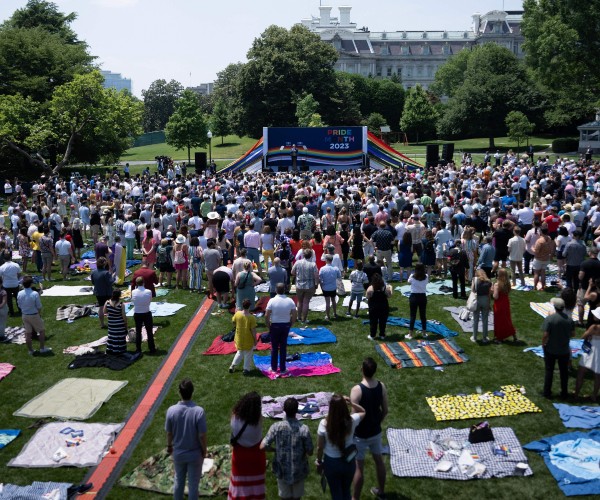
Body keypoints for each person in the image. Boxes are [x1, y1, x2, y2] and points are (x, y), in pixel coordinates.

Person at [261, 398, 314, 500]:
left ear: (284, 410)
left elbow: (263, 446)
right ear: (297, 410)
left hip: (282, 470)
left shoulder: (276, 427)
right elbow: (310, 451)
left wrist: (274, 450)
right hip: (299, 470)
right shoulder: (304, 429)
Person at [351, 358, 388, 500]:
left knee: (359, 466)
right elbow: (385, 410)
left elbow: (353, 416)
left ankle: (355, 498)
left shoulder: (356, 390)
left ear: (362, 370)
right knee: (379, 461)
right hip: (375, 432)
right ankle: (382, 492)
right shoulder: (381, 386)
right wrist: (377, 422)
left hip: (360, 434)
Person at [315, 394, 365, 500]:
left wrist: (319, 461)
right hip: (349, 460)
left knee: (336, 493)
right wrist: (351, 403)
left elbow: (320, 447)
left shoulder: (324, 424)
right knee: (346, 491)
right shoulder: (352, 420)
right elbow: (363, 412)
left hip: (331, 463)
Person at [165, 378, 207, 500]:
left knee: (178, 481)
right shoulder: (199, 411)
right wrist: (204, 450)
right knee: (193, 486)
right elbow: (201, 435)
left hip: (178, 453)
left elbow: (169, 433)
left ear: (179, 392)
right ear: (192, 392)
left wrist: (169, 447)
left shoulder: (171, 411)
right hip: (194, 454)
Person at [228, 392, 266, 500]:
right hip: (256, 456)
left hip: (239, 456)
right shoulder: (258, 421)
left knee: (239, 485)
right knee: (256, 488)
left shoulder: (235, 418)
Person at [541, 297, 575, 399]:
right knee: (564, 372)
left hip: (551, 349)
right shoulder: (569, 319)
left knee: (549, 371)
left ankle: (547, 392)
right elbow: (573, 334)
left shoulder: (550, 319)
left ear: (555, 307)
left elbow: (546, 334)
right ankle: (564, 393)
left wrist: (543, 344)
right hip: (564, 350)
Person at [265, 283, 298, 375]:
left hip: (275, 325)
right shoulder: (290, 301)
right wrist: (291, 323)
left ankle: (274, 368)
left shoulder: (272, 301)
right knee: (283, 347)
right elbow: (295, 314)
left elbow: (267, 315)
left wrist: (268, 325)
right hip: (285, 325)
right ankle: (283, 368)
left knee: (274, 347)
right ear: (285, 290)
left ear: (276, 290)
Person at [17, 275, 50, 355]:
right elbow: (39, 306)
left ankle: (30, 350)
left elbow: (19, 305)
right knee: (41, 331)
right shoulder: (34, 293)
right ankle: (42, 348)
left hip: (24, 315)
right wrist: (38, 314)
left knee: (28, 333)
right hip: (34, 314)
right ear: (31, 284)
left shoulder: (20, 293)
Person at [575, 308, 600, 402]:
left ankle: (576, 394)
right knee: (598, 376)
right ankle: (594, 396)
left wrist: (589, 336)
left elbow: (583, 336)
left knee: (581, 372)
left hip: (591, 350)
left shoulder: (594, 327)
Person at [229, 298, 257, 375]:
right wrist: (255, 340)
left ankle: (232, 365)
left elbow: (233, 322)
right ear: (249, 306)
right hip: (248, 339)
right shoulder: (251, 318)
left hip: (239, 338)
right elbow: (253, 330)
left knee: (240, 352)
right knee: (248, 354)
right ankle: (246, 369)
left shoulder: (237, 314)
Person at [291, 248, 319, 324]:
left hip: (299, 285)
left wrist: (298, 275)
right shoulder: (313, 264)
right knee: (306, 302)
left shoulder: (297, 262)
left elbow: (292, 272)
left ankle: (299, 317)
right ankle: (304, 319)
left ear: (303, 255)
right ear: (311, 255)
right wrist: (316, 284)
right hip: (309, 285)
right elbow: (316, 275)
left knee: (300, 302)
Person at [132, 276, 156, 354]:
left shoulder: (133, 292)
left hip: (137, 313)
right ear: (143, 283)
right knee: (149, 331)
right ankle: (152, 348)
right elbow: (149, 301)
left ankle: (138, 349)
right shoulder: (148, 291)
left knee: (138, 331)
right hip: (146, 312)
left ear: (136, 283)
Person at [493, 268, 518, 342]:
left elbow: (495, 296)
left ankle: (500, 338)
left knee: (499, 321)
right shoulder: (508, 284)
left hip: (499, 304)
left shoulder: (497, 285)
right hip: (506, 303)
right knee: (507, 320)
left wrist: (492, 291)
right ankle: (514, 336)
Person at [366, 273, 392, 341]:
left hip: (373, 307)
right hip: (383, 307)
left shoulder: (370, 288)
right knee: (383, 321)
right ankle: (382, 334)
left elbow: (367, 297)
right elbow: (389, 296)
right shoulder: (385, 288)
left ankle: (372, 335)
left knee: (373, 322)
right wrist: (391, 288)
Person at [91, 256, 114, 329]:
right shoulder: (106, 273)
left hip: (98, 292)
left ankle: (102, 324)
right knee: (110, 307)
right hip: (107, 292)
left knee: (101, 307)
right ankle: (112, 322)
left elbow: (93, 282)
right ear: (104, 264)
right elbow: (110, 282)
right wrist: (113, 276)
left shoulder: (93, 272)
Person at [407, 262, 428, 339]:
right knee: (423, 316)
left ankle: (410, 334)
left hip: (414, 297)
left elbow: (408, 282)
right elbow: (426, 282)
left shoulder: (412, 276)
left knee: (413, 316)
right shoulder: (426, 276)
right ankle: (424, 333)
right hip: (423, 297)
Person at [471, 269, 493, 344]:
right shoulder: (489, 281)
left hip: (477, 300)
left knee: (475, 319)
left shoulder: (475, 280)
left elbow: (472, 291)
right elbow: (489, 294)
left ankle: (474, 337)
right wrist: (489, 304)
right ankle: (484, 337)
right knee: (485, 320)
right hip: (485, 300)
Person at [104, 289, 128, 355]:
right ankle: (120, 350)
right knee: (120, 337)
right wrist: (126, 324)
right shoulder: (121, 304)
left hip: (111, 324)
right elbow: (124, 316)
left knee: (112, 336)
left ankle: (111, 349)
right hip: (119, 324)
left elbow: (105, 312)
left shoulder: (107, 302)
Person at [319, 254, 342, 321]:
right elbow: (339, 276)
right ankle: (335, 313)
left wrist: (321, 285)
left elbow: (320, 278)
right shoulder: (336, 268)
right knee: (333, 301)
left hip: (325, 287)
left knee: (327, 302)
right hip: (333, 287)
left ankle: (328, 316)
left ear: (326, 260)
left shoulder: (322, 269)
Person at [0, 250, 21, 316]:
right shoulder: (16, 265)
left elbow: (0, 276)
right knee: (17, 298)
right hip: (15, 284)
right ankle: (20, 310)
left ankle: (11, 312)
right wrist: (16, 279)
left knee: (9, 300)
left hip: (6, 285)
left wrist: (3, 281)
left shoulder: (2, 267)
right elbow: (19, 274)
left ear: (4, 259)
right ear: (11, 258)